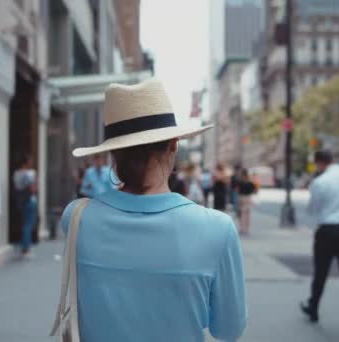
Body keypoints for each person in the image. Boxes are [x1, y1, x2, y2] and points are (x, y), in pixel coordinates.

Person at [60, 78, 247, 341]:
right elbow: (228, 329)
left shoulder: (76, 217)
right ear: (174, 144)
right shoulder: (217, 229)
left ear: (114, 152)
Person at [300, 150, 339, 340]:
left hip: (327, 231)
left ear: (320, 163)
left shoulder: (320, 182)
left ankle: (313, 308)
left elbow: (313, 209)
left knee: (320, 273)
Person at [13, 153, 37, 259]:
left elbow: (17, 187)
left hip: (21, 201)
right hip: (30, 200)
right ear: (27, 162)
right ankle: (26, 249)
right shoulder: (30, 173)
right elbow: (33, 189)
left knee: (24, 224)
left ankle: (24, 247)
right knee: (28, 225)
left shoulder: (16, 173)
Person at [236, 169, 257, 236]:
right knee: (247, 215)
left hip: (241, 198)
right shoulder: (250, 182)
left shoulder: (240, 182)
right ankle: (247, 229)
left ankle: (242, 229)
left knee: (241, 214)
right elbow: (255, 191)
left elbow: (237, 190)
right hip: (248, 198)